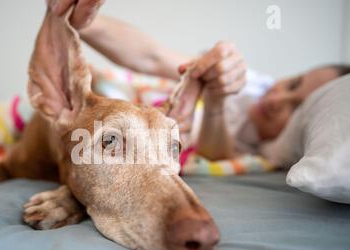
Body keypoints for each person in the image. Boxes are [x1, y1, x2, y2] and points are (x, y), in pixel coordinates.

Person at [54, 0, 350, 160]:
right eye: (292, 83)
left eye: (294, 108)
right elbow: (153, 57)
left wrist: (216, 103)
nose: (275, 99)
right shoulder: (253, 84)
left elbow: (214, 153)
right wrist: (81, 22)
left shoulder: (271, 150)